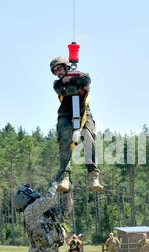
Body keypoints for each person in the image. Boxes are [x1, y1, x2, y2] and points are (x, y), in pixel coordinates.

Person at [50, 57, 103, 193]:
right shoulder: (57, 84)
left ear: (67, 66)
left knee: (89, 137)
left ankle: (93, 176)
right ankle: (64, 177)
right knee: (64, 138)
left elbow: (87, 80)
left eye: (60, 68)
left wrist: (73, 79)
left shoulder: (79, 75)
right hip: (66, 114)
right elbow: (66, 91)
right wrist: (76, 85)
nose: (58, 72)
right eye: (55, 71)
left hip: (84, 113)